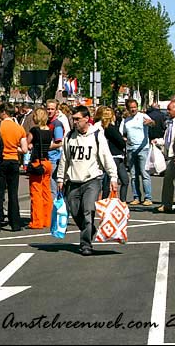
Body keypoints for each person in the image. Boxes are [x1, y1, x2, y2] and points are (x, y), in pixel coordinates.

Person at [57, 105, 118, 256]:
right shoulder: (69, 137)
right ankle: (90, 230)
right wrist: (60, 178)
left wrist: (113, 177)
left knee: (88, 210)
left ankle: (86, 244)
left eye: (78, 119)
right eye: (73, 119)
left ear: (86, 119)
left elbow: (106, 157)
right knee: (75, 212)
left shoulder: (97, 135)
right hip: (73, 181)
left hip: (92, 180)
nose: (75, 121)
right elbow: (64, 159)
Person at [0, 102, 28, 232]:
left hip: (0, 161)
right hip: (14, 161)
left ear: (4, 112)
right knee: (13, 193)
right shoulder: (19, 128)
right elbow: (25, 149)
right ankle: (15, 223)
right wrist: (14, 148)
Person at [120, 98, 155, 206]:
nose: (133, 110)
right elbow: (122, 132)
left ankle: (148, 197)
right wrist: (125, 139)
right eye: (131, 108)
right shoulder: (126, 120)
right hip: (131, 149)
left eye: (135, 107)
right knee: (134, 175)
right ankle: (136, 197)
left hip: (143, 148)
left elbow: (153, 123)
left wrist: (150, 122)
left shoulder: (143, 116)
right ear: (128, 109)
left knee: (145, 174)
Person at [156, 101, 175, 213]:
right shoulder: (171, 122)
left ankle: (167, 204)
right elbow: (168, 139)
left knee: (168, 179)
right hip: (171, 155)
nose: (167, 112)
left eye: (169, 110)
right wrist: (159, 141)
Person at [25, 108, 53, 229]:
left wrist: (30, 145)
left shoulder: (34, 130)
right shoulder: (49, 131)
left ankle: (37, 221)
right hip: (47, 162)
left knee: (36, 192)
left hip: (37, 162)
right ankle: (47, 219)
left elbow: (26, 143)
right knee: (46, 191)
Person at [100, 108, 129, 201]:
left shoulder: (104, 128)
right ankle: (105, 199)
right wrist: (123, 141)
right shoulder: (110, 128)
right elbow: (120, 141)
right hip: (114, 155)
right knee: (110, 180)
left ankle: (122, 201)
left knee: (124, 180)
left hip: (118, 156)